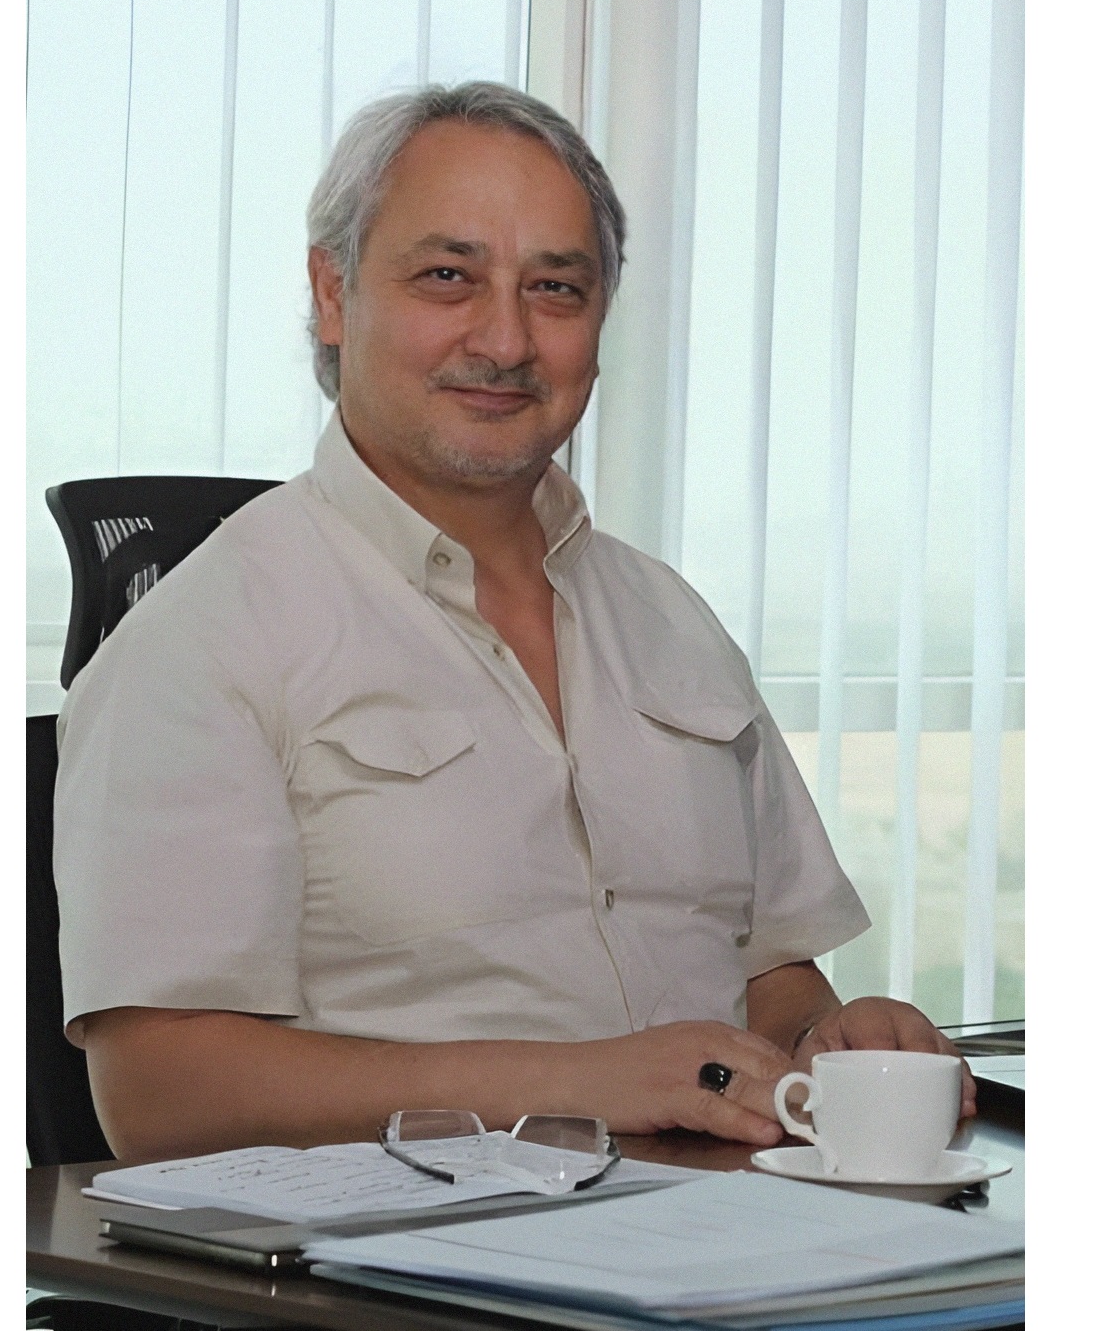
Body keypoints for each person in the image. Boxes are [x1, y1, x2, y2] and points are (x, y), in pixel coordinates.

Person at [54, 82, 974, 1162]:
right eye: (448, 276)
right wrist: (583, 1084)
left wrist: (834, 1042)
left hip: (726, 1226)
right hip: (402, 1252)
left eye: (555, 289)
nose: (505, 339)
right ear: (333, 293)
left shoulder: (670, 620)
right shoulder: (203, 640)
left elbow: (771, 981)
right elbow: (159, 1094)